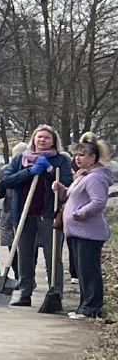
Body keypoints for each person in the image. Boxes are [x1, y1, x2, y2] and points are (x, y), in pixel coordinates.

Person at [0, 127, 72, 308]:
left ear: (54, 141)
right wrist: (29, 172)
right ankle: (25, 293)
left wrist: (50, 170)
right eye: (39, 137)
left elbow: (67, 183)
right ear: (34, 139)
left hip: (49, 215)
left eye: (47, 138)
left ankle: (55, 293)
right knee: (24, 255)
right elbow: (7, 181)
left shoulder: (60, 160)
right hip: (23, 214)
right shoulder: (20, 159)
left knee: (53, 256)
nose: (43, 140)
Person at [64, 136, 109, 321]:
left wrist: (80, 213)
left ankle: (91, 308)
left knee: (89, 271)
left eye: (82, 155)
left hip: (89, 232)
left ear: (93, 157)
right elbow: (73, 196)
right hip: (77, 231)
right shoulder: (83, 175)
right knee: (82, 272)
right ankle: (84, 307)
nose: (77, 158)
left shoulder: (95, 178)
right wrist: (61, 189)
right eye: (76, 155)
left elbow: (98, 202)